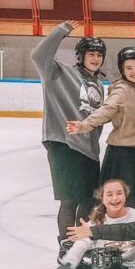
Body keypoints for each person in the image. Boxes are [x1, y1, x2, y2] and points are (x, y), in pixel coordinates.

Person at [31, 20, 105, 251]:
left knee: (88, 200)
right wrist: (61, 31)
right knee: (70, 200)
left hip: (89, 150)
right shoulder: (58, 72)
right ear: (81, 55)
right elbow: (38, 56)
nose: (96, 58)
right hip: (63, 144)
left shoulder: (98, 84)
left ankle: (80, 245)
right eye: (91, 54)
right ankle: (66, 246)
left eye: (99, 55)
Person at [66, 46, 135, 210]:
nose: (134, 71)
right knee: (122, 204)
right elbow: (106, 110)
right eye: (129, 68)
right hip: (121, 156)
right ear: (122, 71)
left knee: (134, 207)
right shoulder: (122, 90)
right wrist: (84, 125)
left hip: (134, 152)